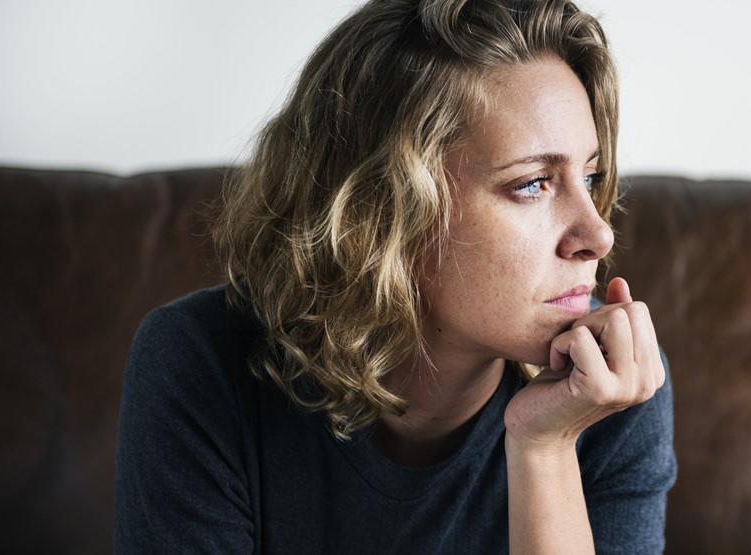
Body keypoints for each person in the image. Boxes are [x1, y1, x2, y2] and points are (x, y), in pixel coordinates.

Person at [114, 0, 676, 552]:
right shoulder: (199, 363)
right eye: (532, 183)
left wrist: (545, 446)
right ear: (383, 211)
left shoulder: (611, 388)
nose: (599, 234)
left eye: (592, 174)